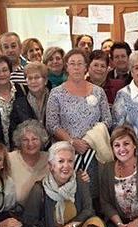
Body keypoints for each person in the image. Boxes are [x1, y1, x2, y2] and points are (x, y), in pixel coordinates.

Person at [22, 141, 108, 227]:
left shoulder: (80, 180)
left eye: (70, 161)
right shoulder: (39, 189)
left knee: (95, 226)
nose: (66, 166)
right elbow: (28, 221)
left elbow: (88, 210)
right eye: (61, 161)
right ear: (51, 166)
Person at [46, 48, 112, 198]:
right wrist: (72, 141)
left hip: (94, 152)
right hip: (67, 154)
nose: (76, 67)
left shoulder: (98, 92)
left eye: (80, 63)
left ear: (86, 67)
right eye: (72, 63)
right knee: (70, 195)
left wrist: (89, 140)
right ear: (66, 67)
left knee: (94, 194)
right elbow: (52, 124)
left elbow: (107, 120)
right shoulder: (56, 93)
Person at [8, 120, 49, 206]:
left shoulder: (50, 159)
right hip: (15, 213)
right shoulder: (9, 159)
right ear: (19, 142)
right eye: (25, 140)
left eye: (34, 139)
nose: (30, 144)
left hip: (45, 212)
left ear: (41, 140)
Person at [10, 62, 50, 133]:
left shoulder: (55, 99)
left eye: (37, 77)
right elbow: (14, 132)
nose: (33, 81)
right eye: (30, 78)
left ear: (45, 80)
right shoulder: (18, 104)